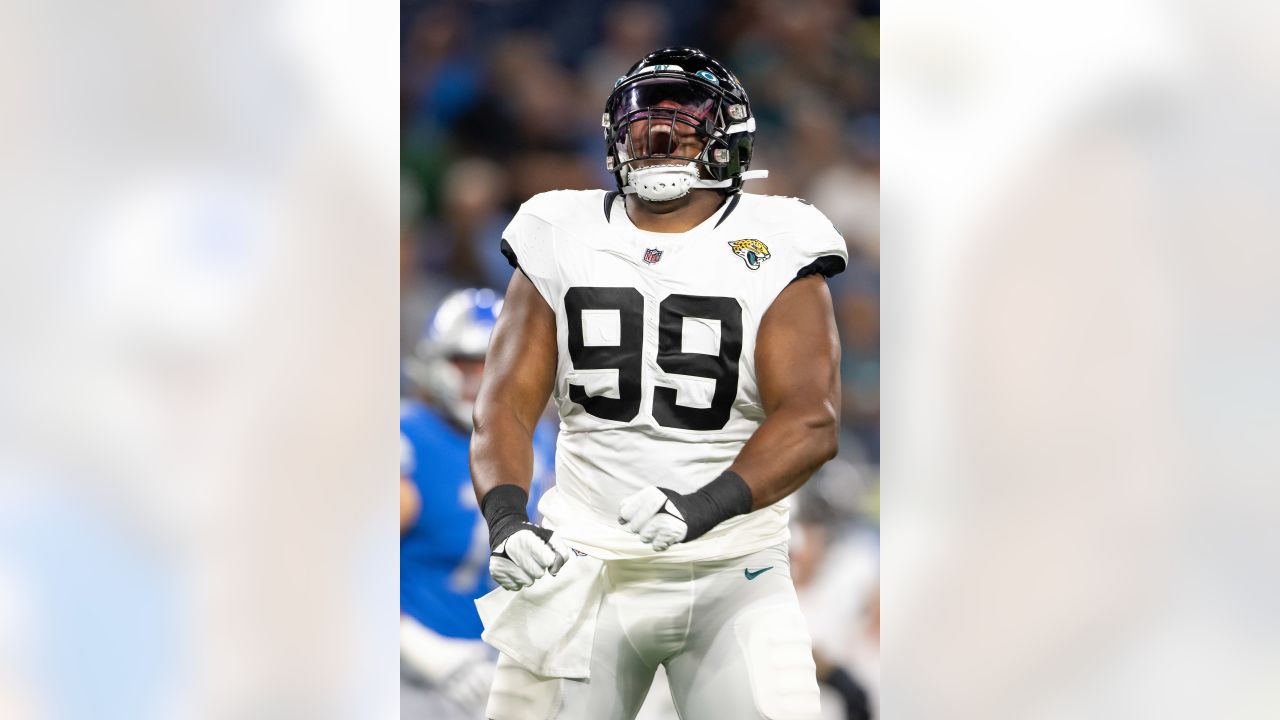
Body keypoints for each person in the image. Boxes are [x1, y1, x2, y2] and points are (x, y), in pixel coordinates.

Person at [470, 47, 848, 720]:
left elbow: (812, 420)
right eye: (644, 121)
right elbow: (502, 401)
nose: (661, 134)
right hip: (585, 564)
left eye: (683, 119)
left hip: (736, 569)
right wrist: (505, 519)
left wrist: (699, 506)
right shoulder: (558, 227)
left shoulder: (779, 236)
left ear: (728, 138)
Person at [400, 288, 554, 720]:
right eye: (464, 364)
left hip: (497, 662)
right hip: (411, 671)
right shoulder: (410, 438)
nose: (480, 379)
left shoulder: (538, 439)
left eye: (492, 363)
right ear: (435, 362)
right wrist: (420, 650)